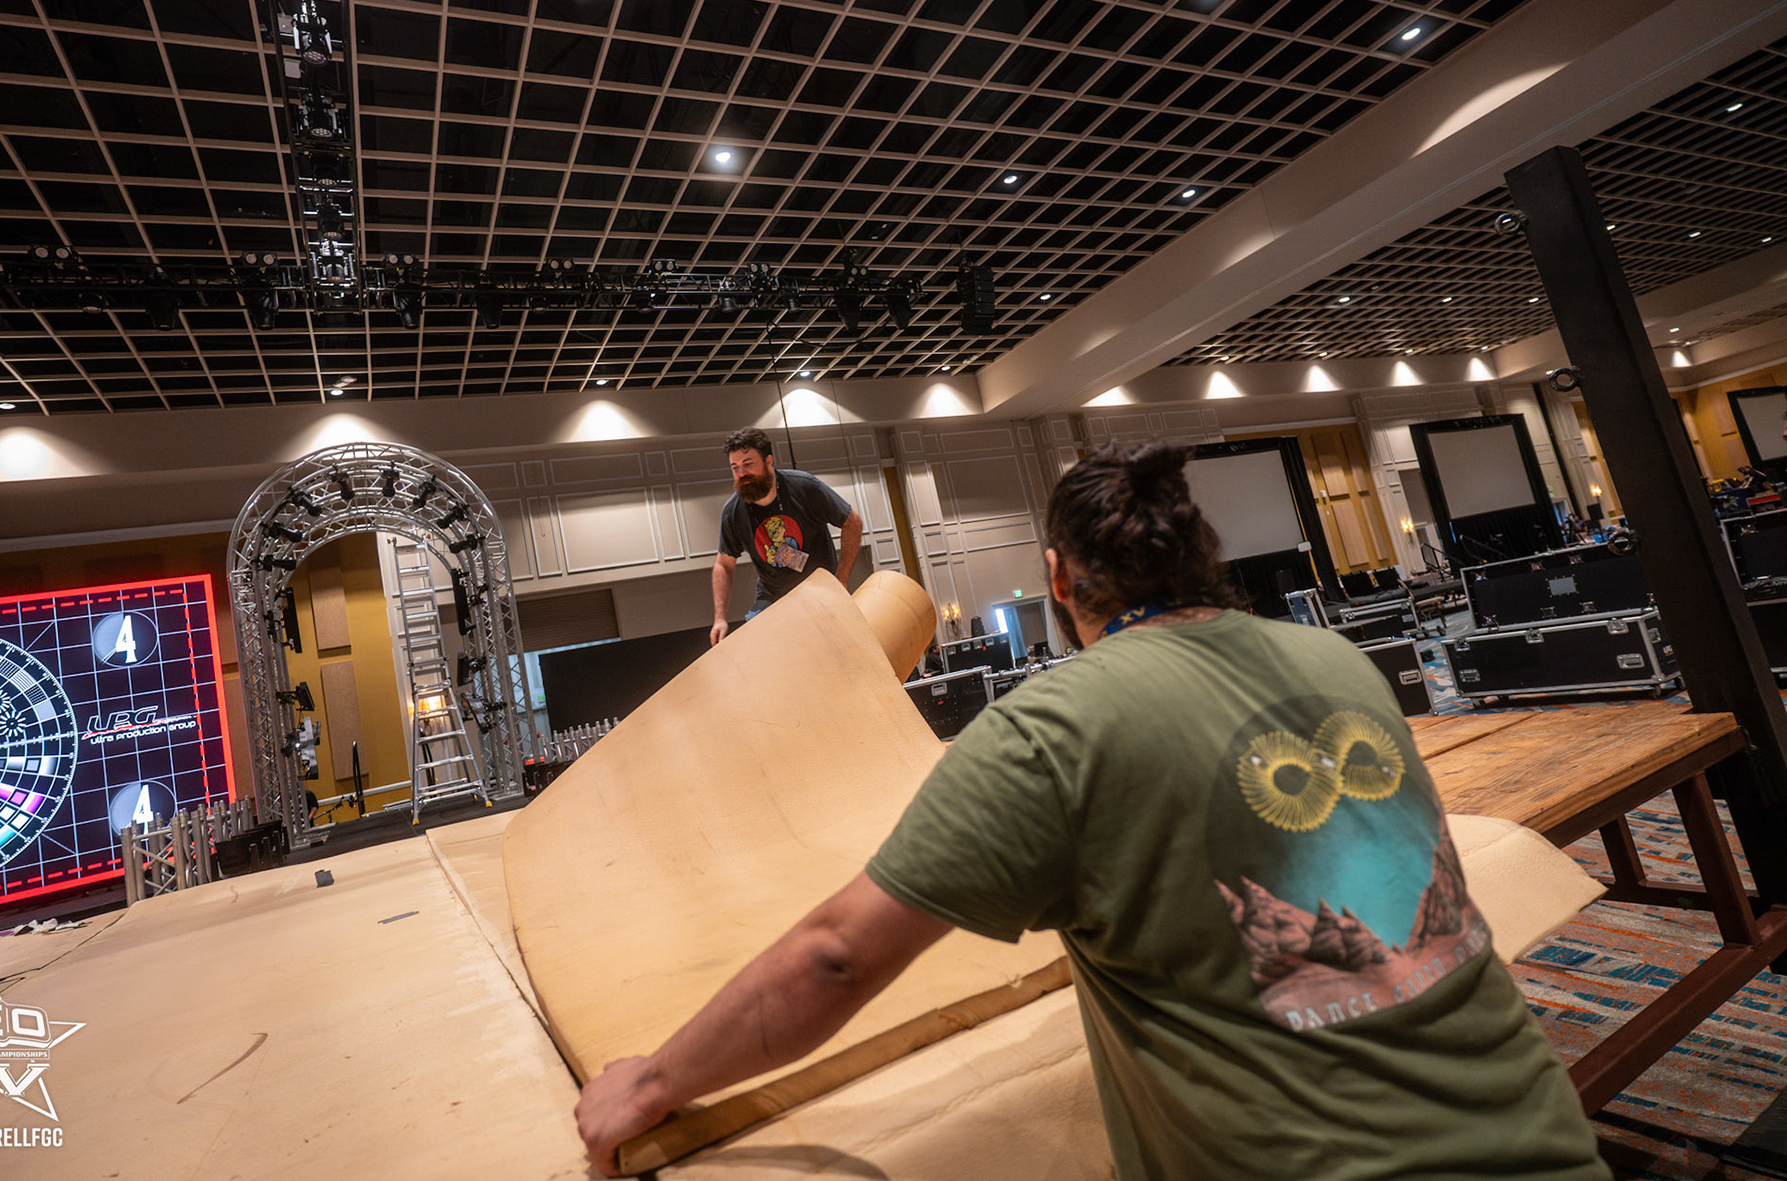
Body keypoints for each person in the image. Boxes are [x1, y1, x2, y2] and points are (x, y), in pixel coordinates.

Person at [578, 441, 1607, 1179]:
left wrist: (653, 1080)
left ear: (1058, 579)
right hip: (1546, 1137)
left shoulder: (1055, 729)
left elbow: (836, 957)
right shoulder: (1339, 662)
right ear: (1204, 556)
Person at [709, 427, 863, 645]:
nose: (742, 473)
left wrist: (842, 579)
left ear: (768, 461)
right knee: (759, 642)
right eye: (735, 468)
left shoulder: (805, 487)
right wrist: (719, 619)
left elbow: (852, 521)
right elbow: (723, 565)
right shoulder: (732, 512)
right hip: (773, 596)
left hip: (819, 588)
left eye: (748, 464)